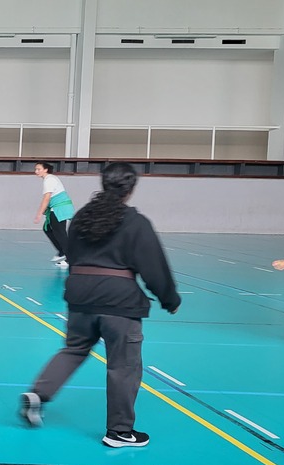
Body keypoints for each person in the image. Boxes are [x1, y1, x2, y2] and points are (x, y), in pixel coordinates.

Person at [19, 162, 181, 449]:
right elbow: (154, 267)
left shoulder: (82, 218)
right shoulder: (136, 222)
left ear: (103, 183)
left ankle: (38, 394)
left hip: (79, 296)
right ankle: (119, 431)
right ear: (130, 188)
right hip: (118, 302)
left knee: (74, 349)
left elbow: (71, 255)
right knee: (124, 365)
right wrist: (170, 300)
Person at [34, 162, 74, 269]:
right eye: (36, 169)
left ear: (45, 170)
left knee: (60, 233)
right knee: (47, 228)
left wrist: (39, 213)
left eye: (38, 169)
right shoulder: (49, 179)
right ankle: (62, 251)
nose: (36, 171)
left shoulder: (49, 180)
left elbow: (47, 198)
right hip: (56, 208)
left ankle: (70, 258)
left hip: (60, 208)